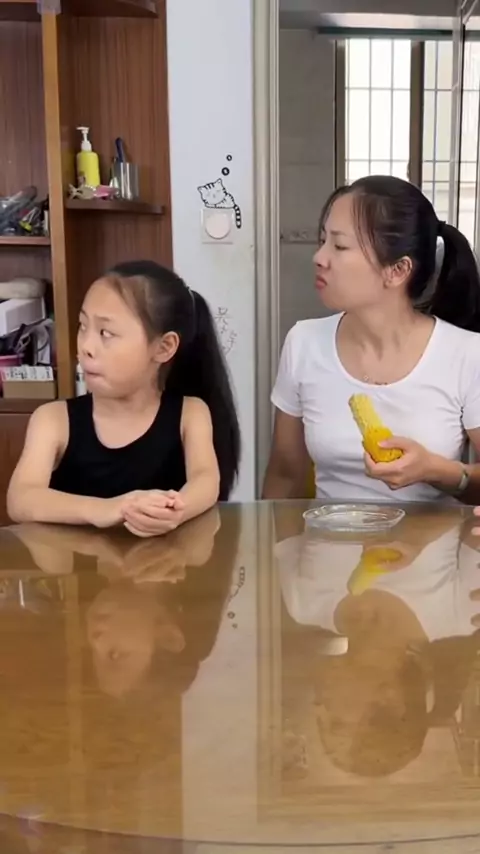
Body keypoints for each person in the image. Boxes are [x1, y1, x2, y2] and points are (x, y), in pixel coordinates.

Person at [263, 175, 480, 504]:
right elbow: (285, 474)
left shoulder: (467, 354)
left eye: (339, 246)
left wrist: (436, 470)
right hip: (328, 536)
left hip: (436, 539)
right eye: (322, 241)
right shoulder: (303, 343)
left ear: (397, 270)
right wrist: (270, 537)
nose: (319, 257)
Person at [7, 260, 240, 536]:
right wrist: (107, 509)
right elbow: (21, 499)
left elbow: (206, 481)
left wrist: (175, 510)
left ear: (164, 347)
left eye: (106, 333)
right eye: (83, 326)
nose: (86, 346)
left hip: (166, 562)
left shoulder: (190, 413)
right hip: (75, 564)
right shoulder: (53, 420)